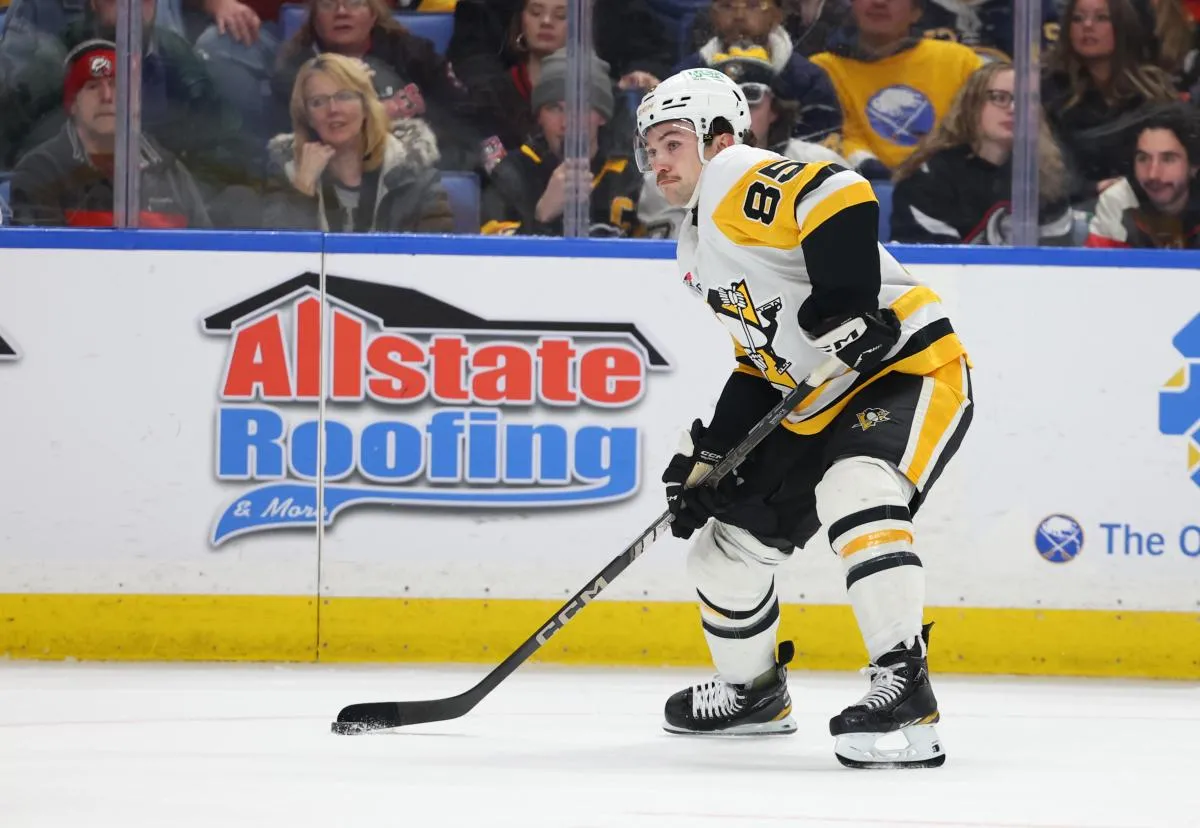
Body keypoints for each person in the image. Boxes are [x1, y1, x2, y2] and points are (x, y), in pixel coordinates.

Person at [634, 67, 972, 768]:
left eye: (673, 142)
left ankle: (906, 691)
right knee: (722, 554)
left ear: (720, 137)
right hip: (816, 400)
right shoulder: (696, 247)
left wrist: (847, 299)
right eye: (649, 149)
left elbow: (836, 189)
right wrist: (713, 454)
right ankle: (753, 693)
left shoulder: (732, 174)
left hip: (904, 367)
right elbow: (763, 362)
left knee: (856, 487)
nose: (658, 161)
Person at [9, 39, 211, 227]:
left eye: (116, 85)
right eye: (92, 86)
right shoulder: (40, 173)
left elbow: (205, 253)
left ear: (135, 102)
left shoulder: (169, 173)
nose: (106, 96)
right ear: (72, 104)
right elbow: (40, 259)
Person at [262, 52, 454, 232]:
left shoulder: (413, 170)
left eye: (344, 96)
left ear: (366, 106)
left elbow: (436, 257)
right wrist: (302, 190)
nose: (333, 109)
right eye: (318, 102)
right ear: (308, 117)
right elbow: (275, 256)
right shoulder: (286, 170)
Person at [891, 61, 1073, 244]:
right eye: (1000, 98)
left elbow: (1056, 261)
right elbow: (932, 263)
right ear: (972, 105)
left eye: (1026, 100)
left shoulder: (1045, 177)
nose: (1013, 109)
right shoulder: (930, 177)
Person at [810, 0, 983, 180]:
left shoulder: (959, 62)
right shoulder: (822, 69)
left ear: (916, 11)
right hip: (864, 189)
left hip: (950, 186)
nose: (879, 3)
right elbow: (833, 139)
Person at [480, 49, 641, 236]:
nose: (567, 123)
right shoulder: (512, 174)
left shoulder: (632, 173)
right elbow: (491, 258)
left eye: (580, 107)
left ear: (602, 116)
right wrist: (542, 216)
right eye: (554, 108)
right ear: (539, 116)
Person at [1042, 0, 1177, 208]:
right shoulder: (1048, 92)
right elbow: (1044, 173)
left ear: (1124, 27)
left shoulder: (1154, 95)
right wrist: (1092, 189)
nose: (1087, 26)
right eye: (1078, 18)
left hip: (1144, 208)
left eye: (1101, 18)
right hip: (1072, 211)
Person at [674, 0, 842, 145]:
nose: (739, 15)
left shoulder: (809, 79)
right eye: (726, 6)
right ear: (712, 16)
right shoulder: (686, 77)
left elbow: (823, 143)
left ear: (777, 15)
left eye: (753, 5)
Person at [1087, 102, 1200, 247]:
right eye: (1143, 158)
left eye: (1168, 159)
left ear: (1194, 165)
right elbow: (1100, 267)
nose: (1153, 174)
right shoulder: (1118, 202)